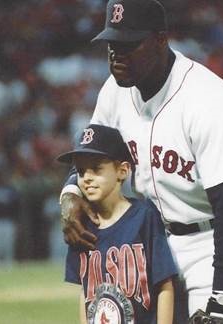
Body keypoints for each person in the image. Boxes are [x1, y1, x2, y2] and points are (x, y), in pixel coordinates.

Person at [60, 0, 223, 323]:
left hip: (217, 238)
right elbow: (91, 153)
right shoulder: (113, 93)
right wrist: (70, 194)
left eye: (129, 44)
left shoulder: (208, 100)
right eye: (112, 45)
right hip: (158, 240)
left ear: (161, 39)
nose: (118, 55)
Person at [57, 124, 177, 324]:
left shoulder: (144, 216)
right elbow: (85, 292)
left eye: (96, 168)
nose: (87, 178)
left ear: (122, 170)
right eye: (81, 171)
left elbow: (164, 285)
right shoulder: (80, 225)